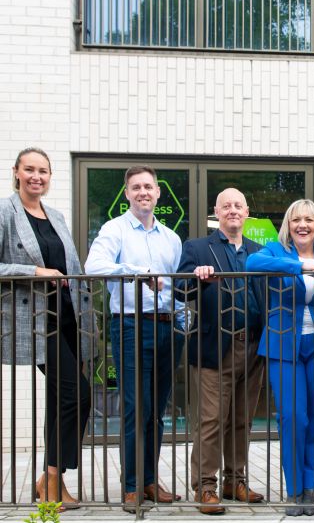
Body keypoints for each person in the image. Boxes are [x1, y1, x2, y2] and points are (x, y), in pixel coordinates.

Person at [84, 165, 184, 512]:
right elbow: (93, 266)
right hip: (129, 325)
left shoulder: (171, 238)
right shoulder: (114, 230)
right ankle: (130, 487)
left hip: (167, 327)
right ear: (127, 194)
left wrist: (183, 322)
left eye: (149, 187)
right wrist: (137, 274)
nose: (143, 192)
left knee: (156, 411)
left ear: (158, 193)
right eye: (136, 187)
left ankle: (149, 481)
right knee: (133, 408)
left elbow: (175, 289)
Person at [246, 199, 314, 517]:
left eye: (309, 219)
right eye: (296, 220)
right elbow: (251, 264)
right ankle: (293, 490)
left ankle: (309, 488)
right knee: (293, 418)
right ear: (288, 225)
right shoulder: (274, 252)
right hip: (283, 346)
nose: (302, 225)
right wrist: (299, 267)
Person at [0, 148, 93, 510]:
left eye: (43, 171)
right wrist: (36, 273)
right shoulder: (6, 212)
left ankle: (52, 480)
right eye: (30, 170)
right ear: (17, 172)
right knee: (77, 394)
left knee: (63, 399)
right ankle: (51, 478)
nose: (36, 176)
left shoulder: (54, 215)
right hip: (36, 323)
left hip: (68, 317)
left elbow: (68, 263)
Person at [176, 188, 267, 515]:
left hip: (254, 346)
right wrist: (196, 277)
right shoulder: (198, 247)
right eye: (226, 205)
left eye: (238, 205)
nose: (232, 210)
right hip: (215, 347)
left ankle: (235, 480)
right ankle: (205, 486)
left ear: (246, 212)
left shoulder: (260, 251)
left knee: (242, 419)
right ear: (216, 211)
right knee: (212, 419)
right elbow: (180, 288)